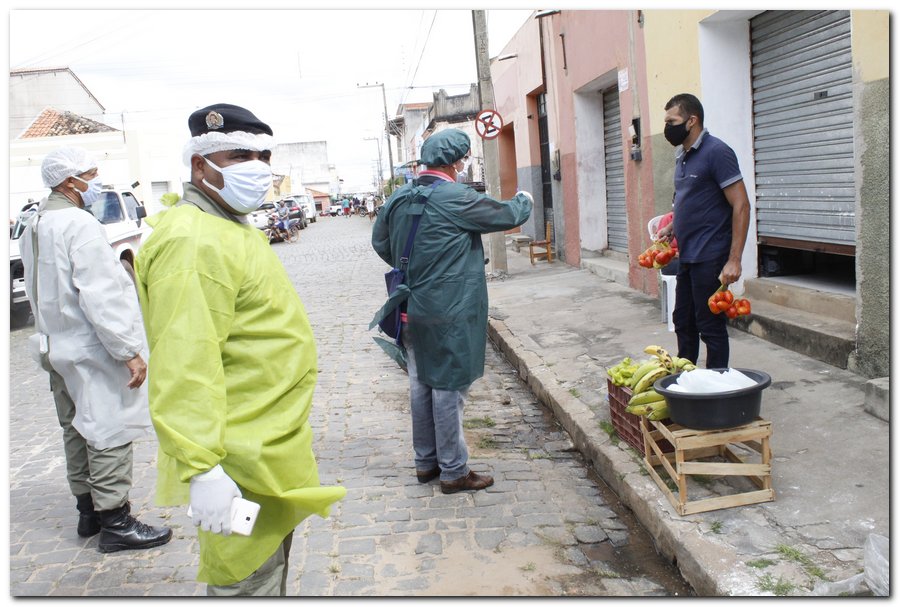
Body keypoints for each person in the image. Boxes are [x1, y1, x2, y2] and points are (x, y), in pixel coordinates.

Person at [134, 103, 346, 596]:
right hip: (236, 458)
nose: (256, 168)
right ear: (199, 165)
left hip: (268, 443)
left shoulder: (230, 224)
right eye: (237, 156)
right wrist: (202, 468)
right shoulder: (192, 241)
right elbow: (186, 364)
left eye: (262, 156)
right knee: (246, 580)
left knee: (267, 574)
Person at [20, 146, 173, 553]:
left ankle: (87, 511)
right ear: (71, 182)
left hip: (55, 346)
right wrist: (128, 351)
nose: (96, 183)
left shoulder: (34, 224)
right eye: (91, 175)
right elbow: (100, 295)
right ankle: (116, 522)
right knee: (108, 429)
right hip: (91, 348)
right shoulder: (78, 224)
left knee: (74, 429)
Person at [371, 128, 533, 495]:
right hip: (449, 311)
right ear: (458, 163)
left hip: (408, 307)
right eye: (462, 161)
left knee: (419, 384)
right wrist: (525, 198)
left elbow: (380, 242)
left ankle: (425, 463)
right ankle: (454, 471)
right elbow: (507, 214)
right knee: (446, 389)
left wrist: (413, 266)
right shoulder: (457, 197)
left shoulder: (398, 199)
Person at [657, 93, 750, 369]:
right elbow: (694, 199)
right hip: (687, 255)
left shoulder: (717, 152)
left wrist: (734, 259)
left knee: (710, 327)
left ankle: (717, 388)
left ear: (691, 120)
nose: (667, 128)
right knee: (683, 322)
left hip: (710, 256)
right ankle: (686, 379)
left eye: (672, 121)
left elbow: (741, 205)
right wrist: (673, 227)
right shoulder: (682, 156)